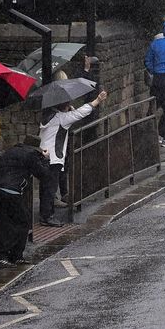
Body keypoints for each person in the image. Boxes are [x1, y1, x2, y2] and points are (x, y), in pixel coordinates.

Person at [38, 88, 107, 226]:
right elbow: (80, 114)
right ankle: (47, 217)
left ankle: (45, 214)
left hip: (42, 155)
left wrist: (69, 110)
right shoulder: (61, 118)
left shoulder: (48, 116)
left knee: (45, 187)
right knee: (50, 188)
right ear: (64, 105)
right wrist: (97, 100)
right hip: (54, 157)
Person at [0, 142, 47, 265]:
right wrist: (45, 160)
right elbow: (43, 174)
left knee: (3, 222)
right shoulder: (31, 154)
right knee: (23, 221)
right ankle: (14, 254)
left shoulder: (10, 151)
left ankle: (2, 255)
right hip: (11, 191)